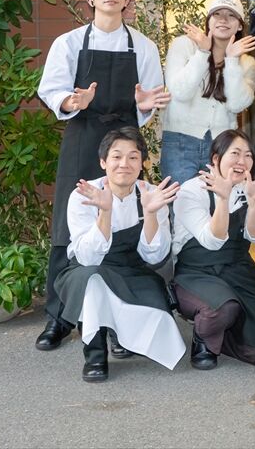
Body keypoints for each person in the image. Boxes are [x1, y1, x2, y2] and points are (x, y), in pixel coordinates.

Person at [35, 0, 170, 352]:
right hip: (82, 136)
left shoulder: (142, 46)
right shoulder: (69, 42)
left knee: (125, 220)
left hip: (124, 141)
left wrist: (144, 104)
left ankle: (116, 316)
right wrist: (71, 101)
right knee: (67, 227)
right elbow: (51, 89)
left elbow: (149, 97)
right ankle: (59, 317)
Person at [51, 127, 183, 382]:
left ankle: (120, 334)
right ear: (103, 162)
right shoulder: (83, 195)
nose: (125, 164)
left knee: (161, 321)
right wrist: (105, 212)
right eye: (116, 156)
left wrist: (151, 213)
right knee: (93, 281)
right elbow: (87, 258)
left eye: (133, 157)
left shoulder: (152, 194)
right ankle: (95, 354)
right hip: (87, 269)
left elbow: (155, 257)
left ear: (142, 164)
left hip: (133, 269)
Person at [172, 129, 255, 370]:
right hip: (197, 272)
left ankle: (221, 337)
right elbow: (212, 241)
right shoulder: (191, 191)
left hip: (238, 269)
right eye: (235, 154)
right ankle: (204, 338)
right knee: (222, 310)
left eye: (248, 155)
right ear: (215, 158)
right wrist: (222, 199)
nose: (242, 161)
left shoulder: (247, 188)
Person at [161, 0, 255, 185]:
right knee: (179, 200)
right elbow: (179, 91)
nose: (223, 20)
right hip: (180, 141)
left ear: (240, 25)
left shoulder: (247, 63)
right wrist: (202, 53)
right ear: (208, 20)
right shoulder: (184, 45)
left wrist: (231, 61)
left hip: (221, 145)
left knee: (219, 200)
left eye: (231, 15)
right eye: (217, 14)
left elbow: (236, 104)